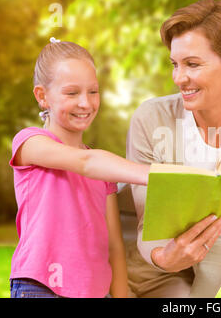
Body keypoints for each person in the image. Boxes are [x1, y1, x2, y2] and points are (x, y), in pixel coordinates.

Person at [119, 0, 221, 297]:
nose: (179, 78)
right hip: (123, 269)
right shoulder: (152, 118)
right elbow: (150, 220)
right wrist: (164, 259)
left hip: (179, 284)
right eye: (175, 64)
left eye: (192, 64)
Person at [9, 38, 151, 298]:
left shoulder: (102, 172)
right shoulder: (29, 143)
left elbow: (114, 248)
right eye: (72, 93)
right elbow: (85, 163)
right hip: (41, 287)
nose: (85, 103)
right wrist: (155, 175)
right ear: (42, 96)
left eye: (93, 91)